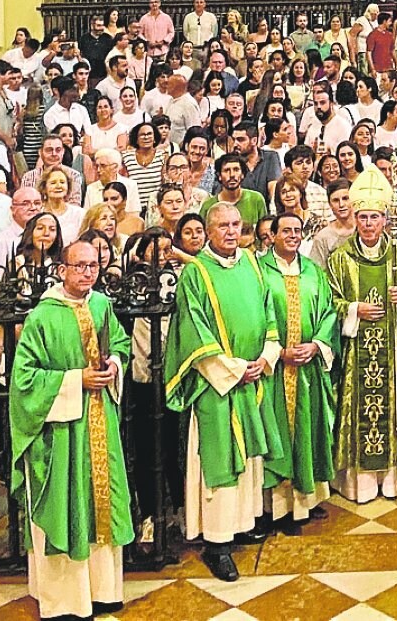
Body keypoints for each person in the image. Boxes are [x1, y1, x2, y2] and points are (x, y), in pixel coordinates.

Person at [9, 240, 133, 615]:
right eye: (79, 266)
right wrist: (75, 379)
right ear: (62, 269)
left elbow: (121, 345)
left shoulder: (102, 306)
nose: (87, 273)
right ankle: (64, 600)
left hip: (99, 422)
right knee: (67, 504)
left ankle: (102, 591)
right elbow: (24, 380)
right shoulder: (42, 316)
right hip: (60, 431)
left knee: (101, 502)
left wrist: (113, 365)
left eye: (93, 266)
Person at [164, 205, 284, 581]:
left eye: (236, 225)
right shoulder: (196, 273)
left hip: (253, 378)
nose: (231, 232)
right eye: (222, 226)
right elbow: (194, 332)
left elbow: (268, 314)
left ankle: (243, 522)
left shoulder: (251, 263)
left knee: (248, 459)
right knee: (217, 462)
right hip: (218, 384)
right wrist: (233, 369)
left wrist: (265, 358)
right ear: (208, 230)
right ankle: (217, 543)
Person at [322, 168, 397, 502]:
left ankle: (392, 478)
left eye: (374, 217)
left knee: (390, 406)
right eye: (362, 217)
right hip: (355, 356)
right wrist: (352, 309)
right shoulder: (339, 260)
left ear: (384, 219)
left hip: (391, 352)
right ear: (355, 218)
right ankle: (359, 483)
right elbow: (329, 304)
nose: (368, 224)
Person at [257, 212, 338, 530]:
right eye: (285, 231)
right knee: (277, 433)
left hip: (307, 369)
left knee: (308, 429)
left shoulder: (314, 272)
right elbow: (257, 315)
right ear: (271, 236)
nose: (292, 235)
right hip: (275, 370)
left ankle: (306, 499)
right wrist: (279, 351)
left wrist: (317, 344)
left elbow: (328, 311)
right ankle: (277, 508)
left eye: (297, 231)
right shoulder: (259, 272)